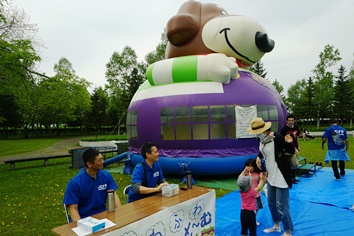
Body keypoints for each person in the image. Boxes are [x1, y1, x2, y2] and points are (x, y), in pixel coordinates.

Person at [247, 117, 295, 236]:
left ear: (264, 131)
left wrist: (290, 141)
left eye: (257, 133)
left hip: (281, 175)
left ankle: (288, 231)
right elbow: (263, 151)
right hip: (270, 176)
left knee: (281, 205)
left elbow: (291, 150)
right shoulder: (261, 140)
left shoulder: (277, 138)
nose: (256, 136)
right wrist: (259, 156)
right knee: (271, 203)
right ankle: (276, 225)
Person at [63, 148, 121, 221]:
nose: (103, 162)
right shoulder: (75, 183)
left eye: (102, 159)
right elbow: (73, 208)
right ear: (89, 164)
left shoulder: (106, 176)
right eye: (99, 160)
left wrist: (120, 214)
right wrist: (81, 226)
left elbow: (113, 196)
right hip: (85, 218)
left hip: (104, 216)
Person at [237, 167, 267, 236]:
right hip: (250, 213)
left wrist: (243, 171)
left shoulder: (241, 191)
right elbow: (259, 188)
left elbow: (239, 179)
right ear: (249, 185)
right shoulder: (251, 192)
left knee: (244, 229)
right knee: (252, 229)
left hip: (243, 212)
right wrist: (262, 180)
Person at [280, 114, 300, 184]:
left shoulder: (296, 127)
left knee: (295, 163)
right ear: (287, 121)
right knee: (290, 164)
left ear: (294, 121)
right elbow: (282, 140)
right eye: (289, 120)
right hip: (288, 149)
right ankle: (290, 178)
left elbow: (297, 137)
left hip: (295, 148)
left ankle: (294, 178)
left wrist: (298, 146)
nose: (291, 122)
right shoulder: (283, 130)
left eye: (292, 120)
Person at [243, 158, 264, 226]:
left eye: (249, 166)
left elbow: (262, 179)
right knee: (250, 209)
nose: (247, 168)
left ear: (254, 166)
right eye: (246, 166)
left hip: (256, 193)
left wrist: (262, 176)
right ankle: (249, 220)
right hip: (249, 195)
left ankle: (253, 219)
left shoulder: (258, 173)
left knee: (257, 208)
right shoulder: (245, 174)